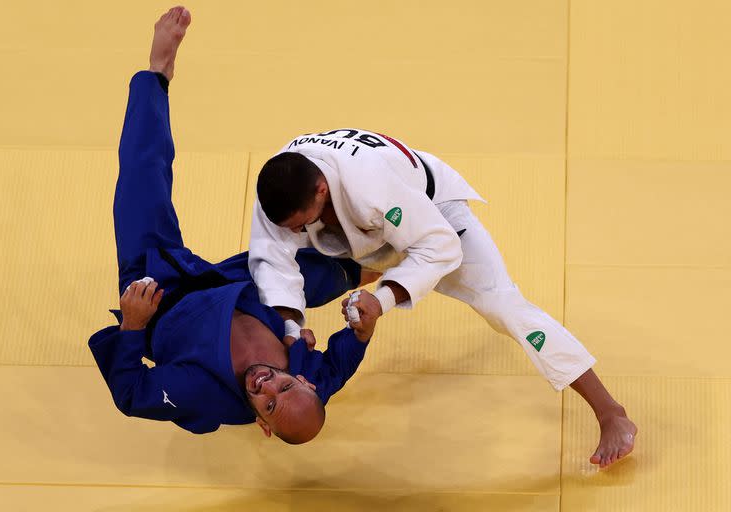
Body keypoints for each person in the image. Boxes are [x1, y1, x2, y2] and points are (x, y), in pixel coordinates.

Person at [250, 132, 638, 466]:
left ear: (321, 189)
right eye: (293, 226)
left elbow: (439, 247)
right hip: (363, 236)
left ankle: (610, 413)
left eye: (302, 221)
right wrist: (288, 329)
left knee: (504, 307)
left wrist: (382, 301)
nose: (296, 230)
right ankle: (367, 269)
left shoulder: (369, 183)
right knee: (263, 280)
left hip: (434, 215)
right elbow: (272, 261)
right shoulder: (280, 182)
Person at [88, 6, 379, 445]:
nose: (265, 385)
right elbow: (343, 358)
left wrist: (133, 325)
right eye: (283, 387)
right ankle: (385, 264)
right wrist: (364, 326)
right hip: (241, 287)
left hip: (160, 293)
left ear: (262, 424)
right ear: (305, 384)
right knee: (327, 271)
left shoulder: (202, 398)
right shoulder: (315, 378)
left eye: (267, 405)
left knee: (140, 177)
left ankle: (156, 73)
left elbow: (131, 394)